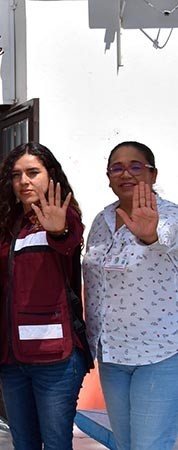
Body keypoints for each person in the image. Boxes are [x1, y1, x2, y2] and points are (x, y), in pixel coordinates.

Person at [0, 142, 93, 450]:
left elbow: (68, 239)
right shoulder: (6, 226)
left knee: (57, 444)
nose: (24, 181)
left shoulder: (63, 217)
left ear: (50, 175)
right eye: (16, 175)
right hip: (12, 359)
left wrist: (57, 231)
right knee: (24, 444)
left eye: (33, 173)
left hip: (55, 358)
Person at [84, 141, 178, 450]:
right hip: (112, 354)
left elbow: (165, 243)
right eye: (117, 167)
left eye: (136, 166)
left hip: (160, 353)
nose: (126, 173)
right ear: (108, 176)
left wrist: (149, 236)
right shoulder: (101, 220)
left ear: (153, 173)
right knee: (124, 444)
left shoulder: (170, 217)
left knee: (150, 445)